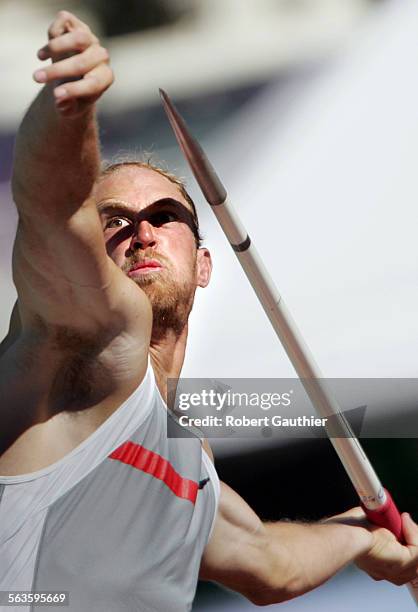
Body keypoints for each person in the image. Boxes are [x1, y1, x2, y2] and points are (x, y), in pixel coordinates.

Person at [0, 10, 417, 611]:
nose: (140, 232)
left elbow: (267, 565)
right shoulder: (87, 348)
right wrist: (69, 107)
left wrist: (359, 538)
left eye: (164, 217)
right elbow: (50, 201)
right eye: (114, 221)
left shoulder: (187, 460)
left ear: (203, 264)